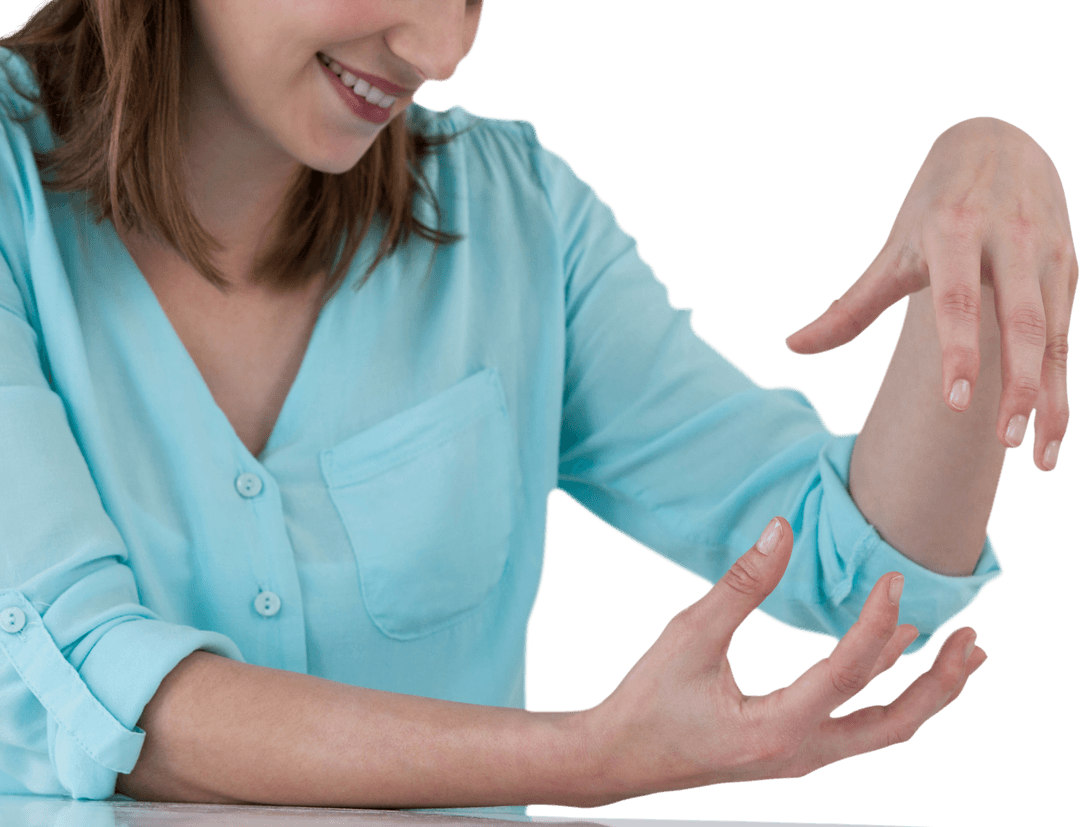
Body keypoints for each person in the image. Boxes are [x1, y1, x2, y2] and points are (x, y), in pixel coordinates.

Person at [0, 0, 1072, 821]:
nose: (439, 48)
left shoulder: (513, 219)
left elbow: (861, 565)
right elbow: (96, 683)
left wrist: (982, 211)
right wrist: (591, 753)